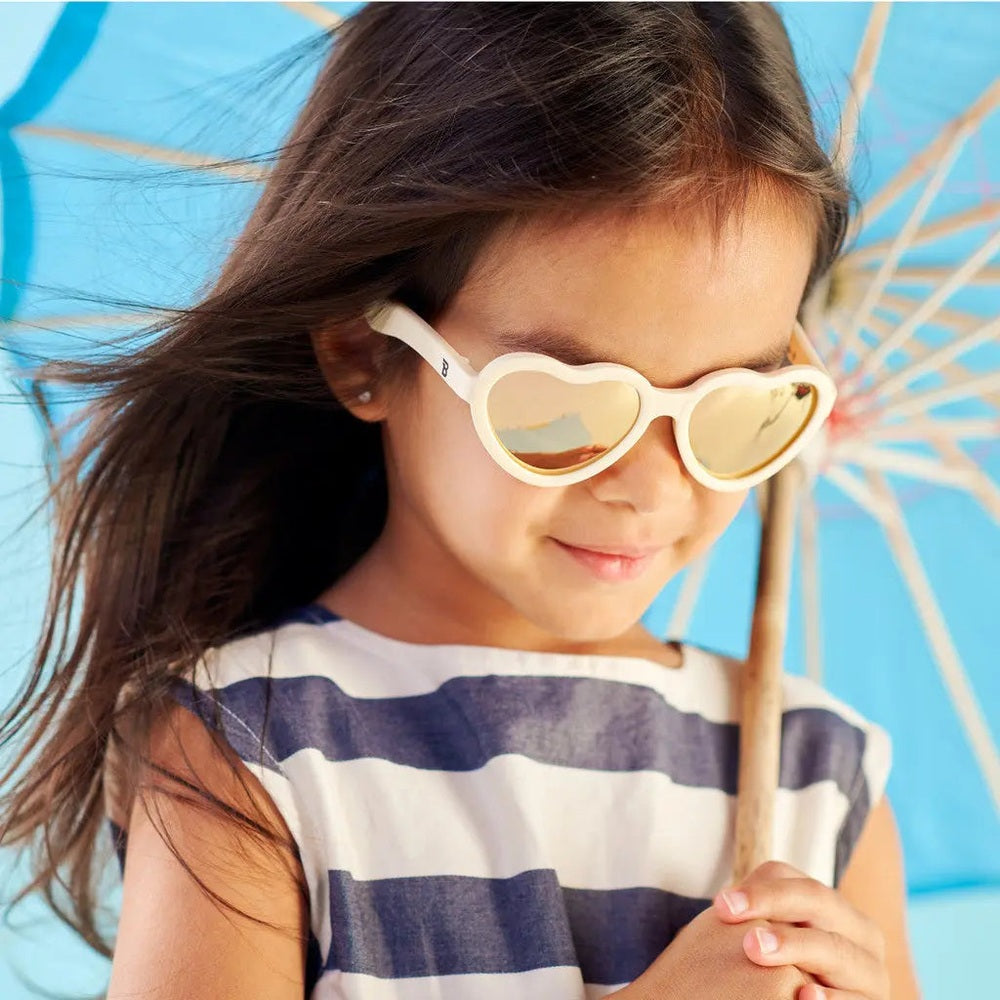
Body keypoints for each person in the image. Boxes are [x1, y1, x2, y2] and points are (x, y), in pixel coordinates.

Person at [0, 3, 922, 999]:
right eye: (566, 404)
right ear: (364, 352)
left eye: (735, 404)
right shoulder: (247, 747)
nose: (652, 483)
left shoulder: (819, 784)